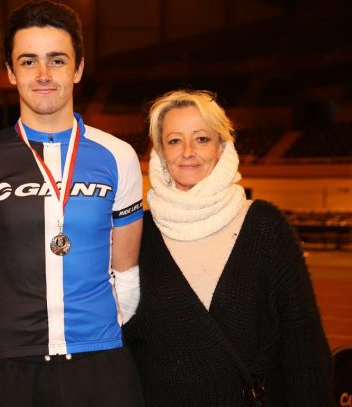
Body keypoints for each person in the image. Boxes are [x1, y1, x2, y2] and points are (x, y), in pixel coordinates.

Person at [0, 1, 145, 406]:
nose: (42, 75)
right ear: (10, 71)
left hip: (100, 366)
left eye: (57, 60)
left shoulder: (118, 155)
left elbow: (126, 273)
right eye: (28, 61)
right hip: (9, 366)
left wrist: (97, 340)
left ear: (78, 68)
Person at [124, 89, 334, 406]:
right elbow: (125, 343)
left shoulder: (265, 226)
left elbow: (303, 344)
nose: (188, 152)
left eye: (202, 139)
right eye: (174, 140)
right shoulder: (137, 234)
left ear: (222, 147)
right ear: (159, 153)